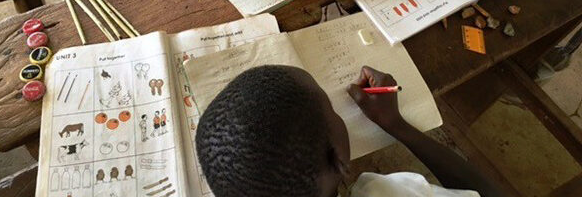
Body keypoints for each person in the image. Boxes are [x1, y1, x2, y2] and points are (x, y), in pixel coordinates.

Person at [196, 65, 503, 197]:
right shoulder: (389, 193)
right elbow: (488, 194)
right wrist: (397, 125)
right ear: (340, 159)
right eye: (330, 108)